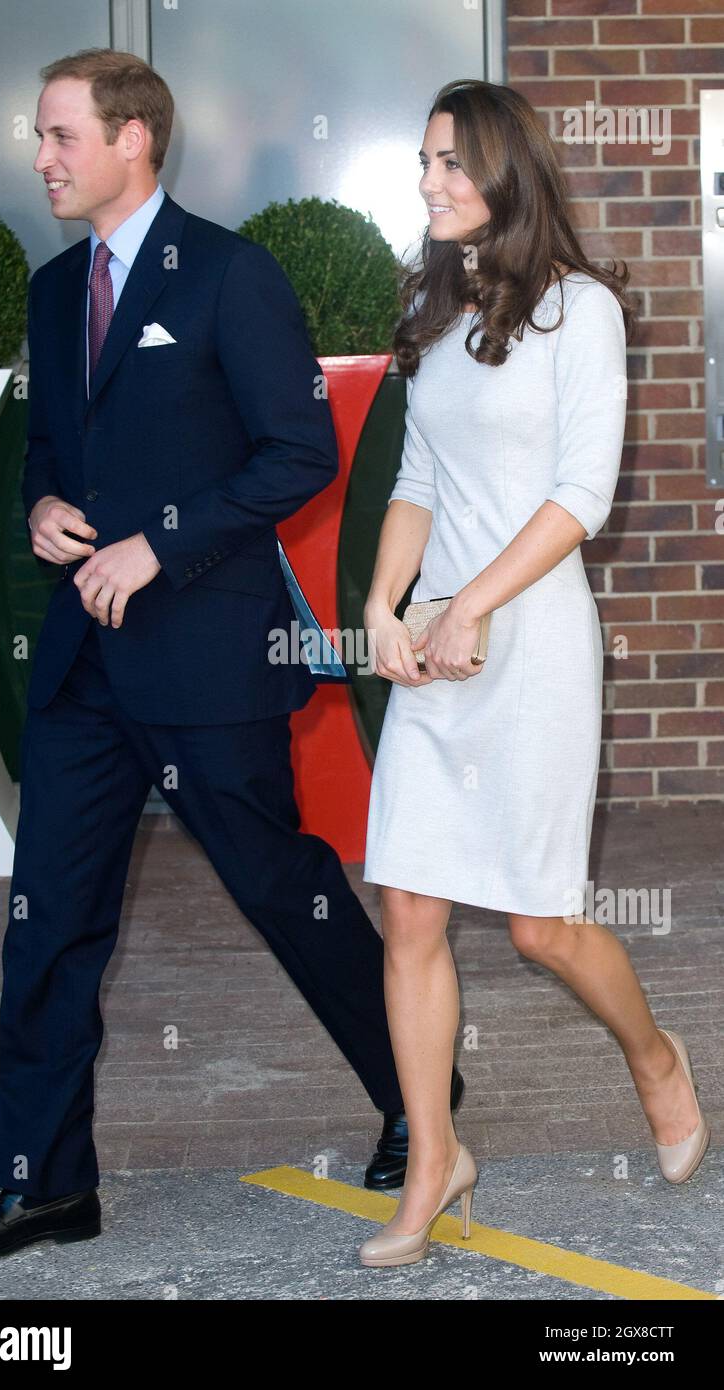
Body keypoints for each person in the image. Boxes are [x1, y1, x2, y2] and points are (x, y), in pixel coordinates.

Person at [0, 48, 465, 1263]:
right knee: (48, 916)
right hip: (83, 671)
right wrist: (45, 511)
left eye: (62, 136)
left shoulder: (231, 274)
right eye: (41, 137)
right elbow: (58, 449)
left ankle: (417, 1096)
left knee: (282, 886)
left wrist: (154, 545)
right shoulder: (59, 292)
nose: (42, 157)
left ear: (134, 141)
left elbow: (297, 457)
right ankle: (43, 1180)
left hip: (209, 658)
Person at [357, 78, 711, 1269]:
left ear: (505, 170)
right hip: (439, 649)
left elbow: (580, 498)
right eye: (422, 163)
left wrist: (474, 606)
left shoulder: (580, 312)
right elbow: (414, 483)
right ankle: (433, 1162)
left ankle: (654, 1055)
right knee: (407, 908)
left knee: (541, 929)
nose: (429, 183)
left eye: (449, 163)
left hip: (532, 643)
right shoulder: (439, 313)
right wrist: (383, 604)